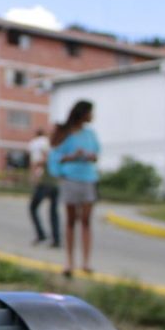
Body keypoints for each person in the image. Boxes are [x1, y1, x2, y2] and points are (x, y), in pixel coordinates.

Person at [48, 101, 100, 277]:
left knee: (86, 221)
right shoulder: (65, 133)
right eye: (90, 112)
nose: (92, 116)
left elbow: (96, 156)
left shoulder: (90, 134)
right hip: (70, 180)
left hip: (88, 179)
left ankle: (86, 262)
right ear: (82, 113)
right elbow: (55, 157)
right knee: (71, 221)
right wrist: (72, 157)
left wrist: (90, 156)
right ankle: (69, 262)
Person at [28, 128, 59, 247]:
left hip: (45, 182)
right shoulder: (58, 147)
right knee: (53, 211)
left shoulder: (40, 144)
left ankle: (41, 234)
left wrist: (35, 170)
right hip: (56, 183)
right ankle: (56, 239)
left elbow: (45, 158)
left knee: (33, 207)